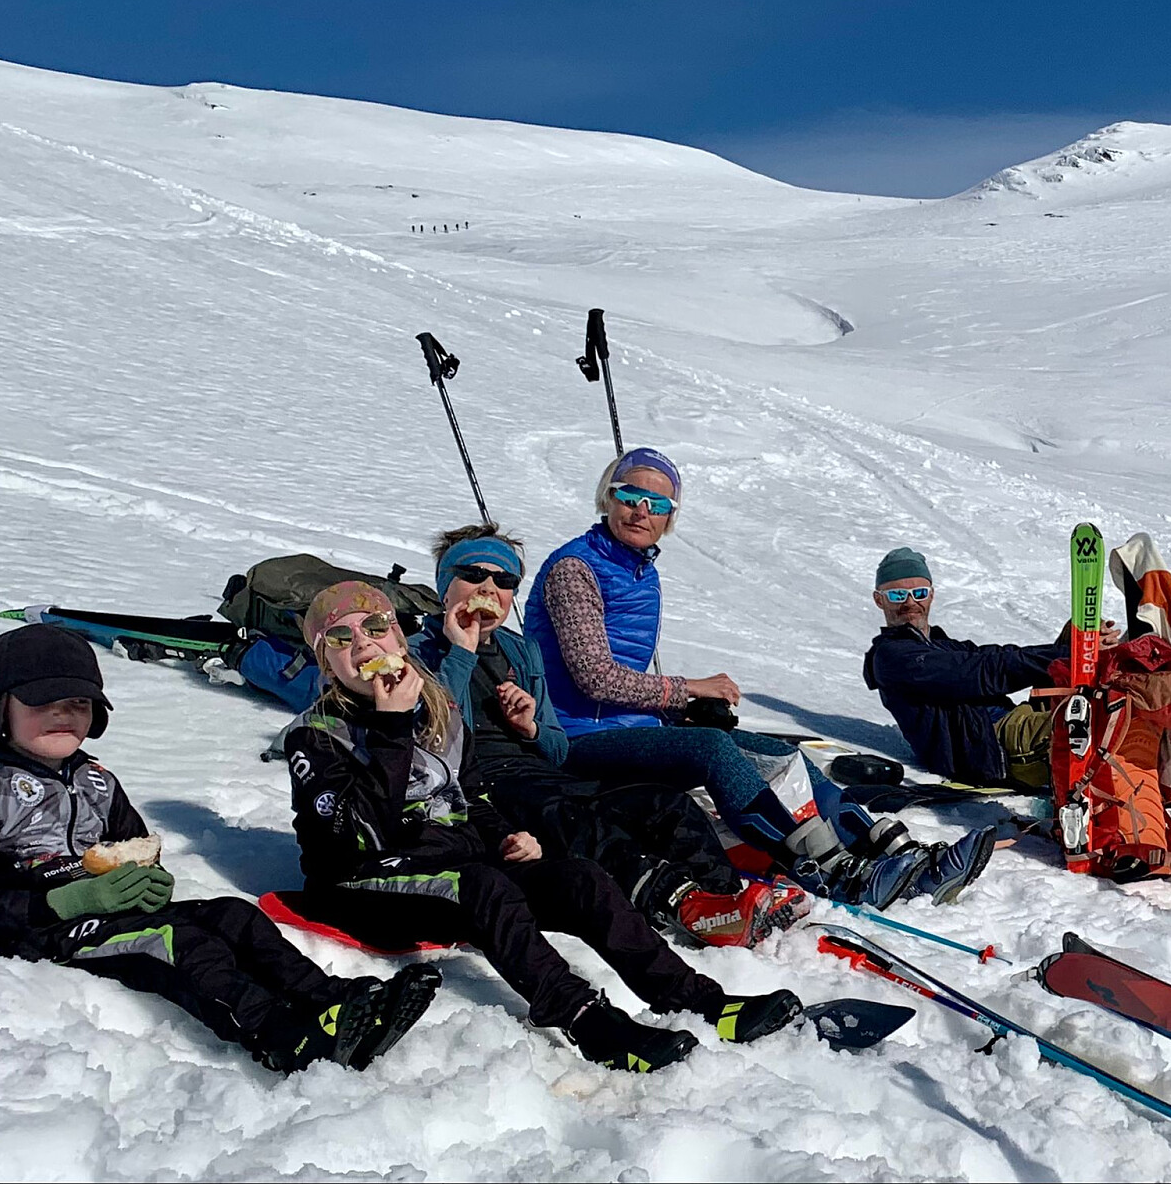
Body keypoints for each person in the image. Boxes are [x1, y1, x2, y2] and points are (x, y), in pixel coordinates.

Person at [281, 582, 803, 1073]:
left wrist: (504, 834)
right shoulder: (315, 735)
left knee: (580, 878)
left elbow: (471, 795)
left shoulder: (438, 709)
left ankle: (700, 1001)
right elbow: (361, 836)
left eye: (375, 627)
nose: (363, 644)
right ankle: (589, 1023)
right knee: (484, 886)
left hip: (451, 864)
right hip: (362, 879)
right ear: (325, 663)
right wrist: (391, 727)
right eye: (341, 638)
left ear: (398, 636)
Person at [0, 624, 439, 1075]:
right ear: (0, 709)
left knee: (233, 915)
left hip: (113, 915)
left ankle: (335, 1001)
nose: (63, 715)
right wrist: (66, 901)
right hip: (44, 932)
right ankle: (283, 1035)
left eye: (77, 703)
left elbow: (136, 850)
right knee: (175, 940)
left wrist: (149, 880)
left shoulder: (98, 781)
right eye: (41, 703)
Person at [524, 447, 996, 909]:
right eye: (630, 496)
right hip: (575, 736)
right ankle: (829, 869)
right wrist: (688, 690)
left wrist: (678, 707)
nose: (641, 511)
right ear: (607, 497)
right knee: (712, 749)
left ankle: (890, 851)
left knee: (780, 755)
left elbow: (618, 680)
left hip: (628, 727)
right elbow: (595, 679)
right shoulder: (575, 569)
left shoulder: (638, 571)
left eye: (658, 503)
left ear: (670, 516)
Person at [408, 523, 809, 948]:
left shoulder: (519, 651)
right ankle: (683, 905)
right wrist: (462, 653)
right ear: (445, 585)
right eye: (473, 575)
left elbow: (557, 749)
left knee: (663, 803)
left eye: (504, 580)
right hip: (481, 786)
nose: (489, 589)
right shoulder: (416, 652)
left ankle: (726, 901)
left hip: (542, 773)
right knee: (576, 821)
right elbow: (429, 740)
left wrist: (531, 728)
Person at [862, 546, 1120, 790]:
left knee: (1080, 628)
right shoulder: (893, 657)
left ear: (931, 595)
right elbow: (981, 672)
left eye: (919, 593)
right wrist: (1076, 654)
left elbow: (997, 656)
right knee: (1104, 719)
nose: (910, 603)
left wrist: (1080, 647)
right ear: (879, 600)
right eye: (897, 596)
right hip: (993, 747)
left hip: (1013, 721)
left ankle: (1120, 672)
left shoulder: (941, 645)